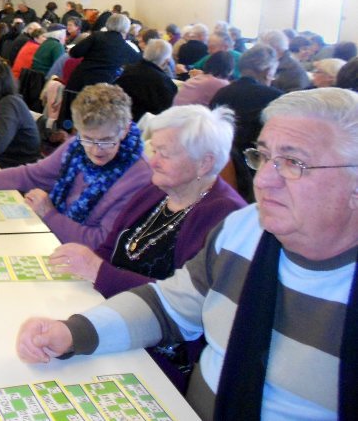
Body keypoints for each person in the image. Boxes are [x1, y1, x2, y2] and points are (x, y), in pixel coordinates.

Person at [16, 88, 358, 421]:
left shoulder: (227, 216)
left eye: (294, 163)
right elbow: (171, 304)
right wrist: (74, 332)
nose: (263, 180)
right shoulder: (243, 229)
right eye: (264, 157)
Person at [46, 104, 245, 386]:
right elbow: (108, 249)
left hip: (162, 353)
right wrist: (88, 267)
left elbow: (187, 306)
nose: (153, 161)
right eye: (154, 150)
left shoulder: (225, 218)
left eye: (165, 154)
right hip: (111, 316)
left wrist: (99, 272)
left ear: (204, 163)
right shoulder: (156, 190)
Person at [0, 84, 151, 248]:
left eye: (106, 140)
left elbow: (100, 242)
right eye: (88, 139)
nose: (96, 150)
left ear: (125, 130)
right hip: (52, 238)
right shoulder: (77, 146)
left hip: (83, 257)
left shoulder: (139, 176)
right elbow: (33, 174)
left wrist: (49, 214)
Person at [65, 13, 140, 94]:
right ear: (126, 28)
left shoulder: (96, 36)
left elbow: (74, 53)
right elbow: (139, 60)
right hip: (101, 88)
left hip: (79, 81)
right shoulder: (124, 47)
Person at [114, 38, 177, 121]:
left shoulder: (128, 71)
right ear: (166, 61)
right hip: (148, 125)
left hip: (121, 119)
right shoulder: (166, 84)